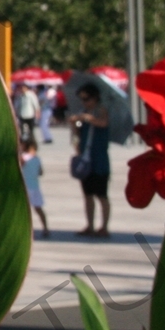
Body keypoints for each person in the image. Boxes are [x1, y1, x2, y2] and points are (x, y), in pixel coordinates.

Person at [70, 83, 112, 238]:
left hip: (99, 160)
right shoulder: (82, 113)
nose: (84, 102)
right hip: (86, 159)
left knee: (102, 195)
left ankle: (105, 226)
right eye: (82, 99)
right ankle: (90, 225)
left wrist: (88, 118)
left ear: (95, 98)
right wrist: (74, 125)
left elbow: (103, 123)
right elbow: (77, 138)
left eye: (86, 98)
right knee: (88, 195)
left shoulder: (101, 111)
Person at [20, 134, 47, 236]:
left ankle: (24, 230)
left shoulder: (23, 157)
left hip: (25, 188)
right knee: (38, 209)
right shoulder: (36, 158)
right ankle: (45, 228)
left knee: (23, 210)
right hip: (35, 187)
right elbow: (41, 172)